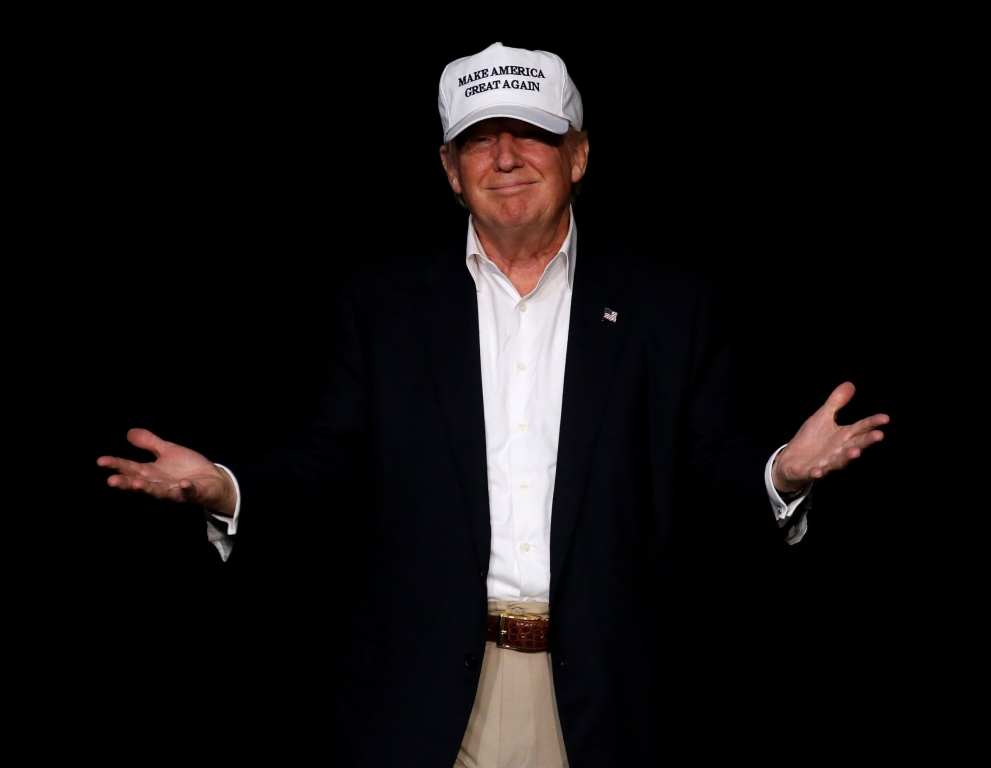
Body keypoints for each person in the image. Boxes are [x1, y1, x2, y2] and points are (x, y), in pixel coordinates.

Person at [97, 42, 889, 768]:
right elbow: (330, 460)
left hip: (613, 697)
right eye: (480, 139)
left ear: (578, 156)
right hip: (425, 696)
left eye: (531, 135)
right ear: (450, 169)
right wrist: (226, 488)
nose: (505, 156)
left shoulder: (670, 301)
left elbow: (709, 465)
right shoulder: (383, 302)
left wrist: (782, 473)